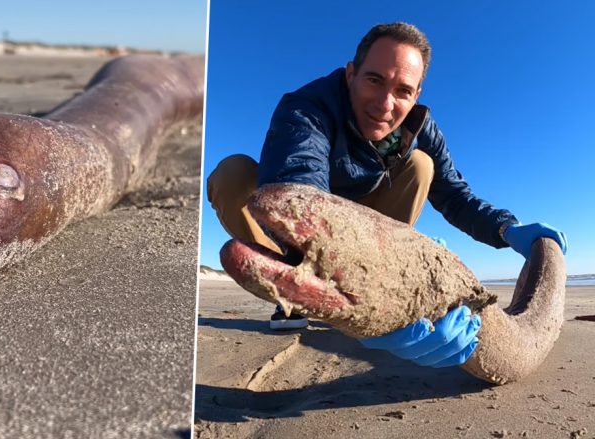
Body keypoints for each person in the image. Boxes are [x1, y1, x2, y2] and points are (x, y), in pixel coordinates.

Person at [207, 22, 568, 368]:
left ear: (417, 95)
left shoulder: (422, 128)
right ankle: (296, 288)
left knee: (421, 165)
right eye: (374, 80)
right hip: (317, 222)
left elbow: (455, 196)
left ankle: (379, 291)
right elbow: (298, 183)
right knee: (232, 174)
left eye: (402, 91)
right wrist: (322, 260)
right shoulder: (307, 108)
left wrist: (508, 229)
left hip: (374, 227)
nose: (384, 104)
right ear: (351, 74)